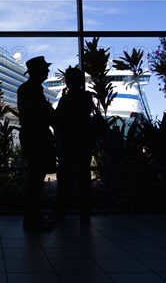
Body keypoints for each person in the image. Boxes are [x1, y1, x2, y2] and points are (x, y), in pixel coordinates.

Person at [17, 56, 57, 230]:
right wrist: (48, 112)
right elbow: (34, 114)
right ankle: (32, 218)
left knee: (36, 178)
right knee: (35, 178)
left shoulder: (32, 89)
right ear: (36, 71)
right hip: (35, 137)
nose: (48, 71)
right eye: (45, 69)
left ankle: (34, 216)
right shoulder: (29, 89)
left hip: (35, 136)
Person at [54, 66, 95, 224]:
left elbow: (58, 117)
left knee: (64, 178)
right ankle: (85, 213)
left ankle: (61, 212)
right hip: (83, 141)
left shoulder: (67, 98)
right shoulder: (87, 96)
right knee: (84, 177)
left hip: (68, 141)